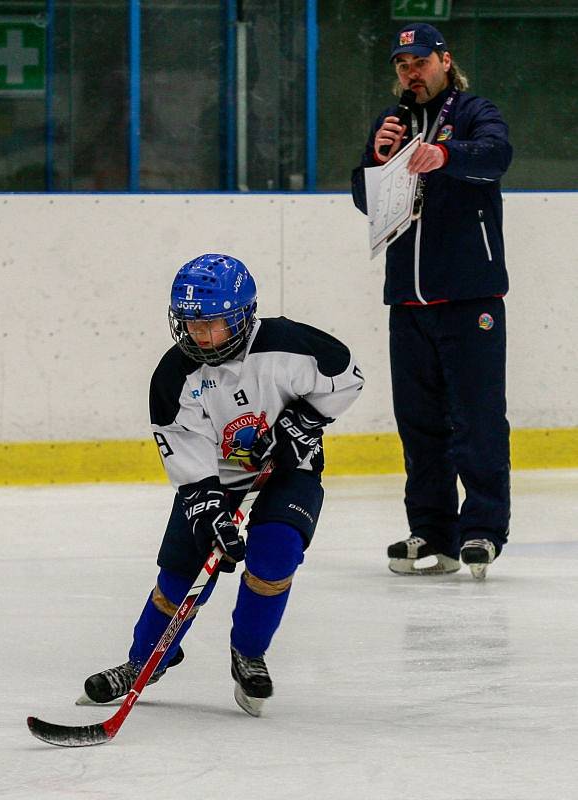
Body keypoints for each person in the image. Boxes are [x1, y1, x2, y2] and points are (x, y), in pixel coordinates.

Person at [79, 253, 364, 716]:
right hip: (216, 478)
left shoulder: (290, 344)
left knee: (276, 551)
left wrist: (305, 420)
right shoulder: (173, 376)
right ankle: (147, 660)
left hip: (289, 466)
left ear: (243, 316)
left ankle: (248, 653)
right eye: (192, 325)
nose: (202, 336)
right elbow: (188, 457)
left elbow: (347, 378)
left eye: (214, 324)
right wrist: (210, 511)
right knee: (181, 576)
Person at [351, 23, 512, 580]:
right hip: (408, 302)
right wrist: (376, 160)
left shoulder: (473, 112)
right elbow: (362, 194)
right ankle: (432, 531)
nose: (410, 72)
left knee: (477, 419)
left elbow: (496, 155)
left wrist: (444, 155)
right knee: (419, 423)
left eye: (419, 60)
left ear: (444, 61)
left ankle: (484, 530)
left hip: (471, 297)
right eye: (401, 63)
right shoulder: (390, 124)